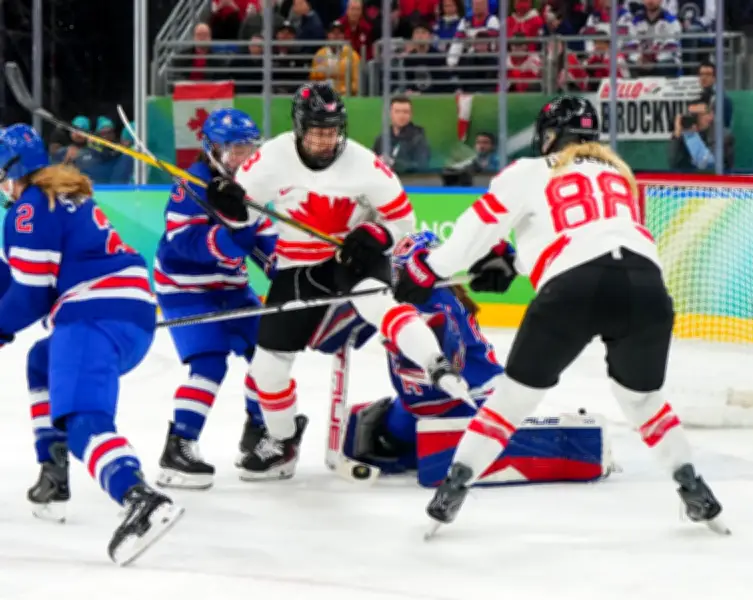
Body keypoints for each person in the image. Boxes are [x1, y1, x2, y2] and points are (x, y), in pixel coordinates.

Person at [392, 96, 727, 536]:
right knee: (642, 400)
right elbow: (593, 235)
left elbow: (471, 238)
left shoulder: (530, 171)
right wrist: (516, 261)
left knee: (513, 398)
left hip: (573, 289)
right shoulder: (620, 175)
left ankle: (454, 486)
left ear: (548, 136)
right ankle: (691, 482)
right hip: (645, 286)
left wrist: (424, 271)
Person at [204, 81, 470, 481]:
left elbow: (403, 222)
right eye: (317, 132)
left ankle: (435, 363)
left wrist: (377, 235)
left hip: (352, 256)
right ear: (299, 128)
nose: (326, 141)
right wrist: (230, 208)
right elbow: (247, 216)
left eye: (332, 132)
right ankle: (282, 440)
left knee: (376, 301)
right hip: (297, 266)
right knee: (266, 369)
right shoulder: (269, 159)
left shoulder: (365, 165)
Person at [0, 124, 184, 565]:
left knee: (84, 420)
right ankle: (54, 471)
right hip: (129, 313)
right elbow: (14, 275)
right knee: (41, 362)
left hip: (91, 315)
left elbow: (30, 295)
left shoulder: (29, 208)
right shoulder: (61, 195)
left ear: (12, 168)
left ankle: (138, 497)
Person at [318, 231, 609, 485]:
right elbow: (334, 337)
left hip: (473, 397)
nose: (395, 275)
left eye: (400, 269)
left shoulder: (439, 305)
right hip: (418, 407)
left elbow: (445, 361)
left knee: (450, 445)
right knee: (380, 440)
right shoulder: (393, 300)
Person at [153, 108, 278, 488]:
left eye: (247, 150)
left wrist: (288, 269)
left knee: (269, 353)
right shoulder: (189, 187)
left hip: (231, 286)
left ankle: (258, 432)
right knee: (209, 365)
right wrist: (229, 239)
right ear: (211, 149)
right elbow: (183, 244)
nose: (240, 158)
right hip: (186, 288)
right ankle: (179, 447)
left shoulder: (254, 185)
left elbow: (267, 241)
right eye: (232, 150)